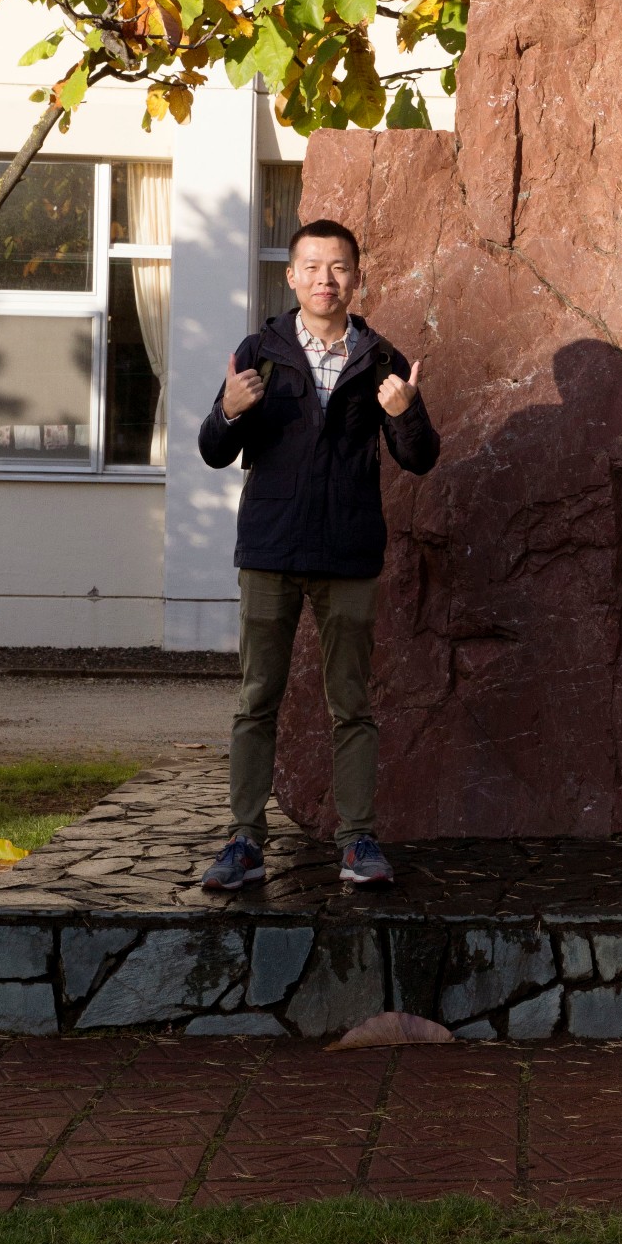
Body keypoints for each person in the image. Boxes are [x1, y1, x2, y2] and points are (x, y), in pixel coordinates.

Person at [195, 217, 440, 891]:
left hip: (348, 550)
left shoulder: (384, 358)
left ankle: (357, 839)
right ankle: (244, 840)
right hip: (270, 546)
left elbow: (419, 459)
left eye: (338, 268)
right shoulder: (261, 350)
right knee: (256, 698)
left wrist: (405, 411)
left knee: (351, 704)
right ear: (291, 275)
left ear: (357, 278)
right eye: (311, 266)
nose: (324, 279)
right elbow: (214, 450)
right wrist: (229, 409)